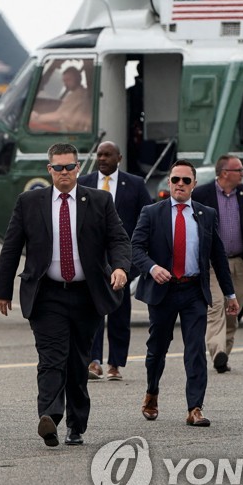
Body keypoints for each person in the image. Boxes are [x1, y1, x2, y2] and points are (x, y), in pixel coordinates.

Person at [0, 143, 131, 447]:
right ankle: (50, 417)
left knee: (77, 363)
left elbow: (118, 239)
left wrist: (120, 268)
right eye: (58, 167)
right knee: (51, 358)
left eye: (69, 167)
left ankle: (76, 425)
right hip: (46, 294)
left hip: (86, 295)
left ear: (78, 168)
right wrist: (2, 291)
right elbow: (12, 247)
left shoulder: (99, 200)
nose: (64, 173)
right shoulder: (30, 202)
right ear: (49, 169)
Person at [131, 159, 236, 427]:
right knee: (157, 348)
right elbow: (136, 249)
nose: (180, 185)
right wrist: (152, 268)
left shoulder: (206, 214)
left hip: (193, 290)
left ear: (194, 185)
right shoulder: (151, 212)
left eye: (186, 181)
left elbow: (218, 257)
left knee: (195, 350)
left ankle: (195, 408)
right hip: (162, 291)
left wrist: (230, 294)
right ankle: (152, 391)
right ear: (169, 182)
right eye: (176, 180)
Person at [192, 155, 243, 373]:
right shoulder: (202, 194)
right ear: (224, 173)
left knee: (232, 310)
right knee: (215, 307)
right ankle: (217, 350)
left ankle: (224, 354)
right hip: (212, 264)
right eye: (239, 170)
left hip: (240, 261)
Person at [79, 140, 153, 381]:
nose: (102, 158)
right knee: (94, 311)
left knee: (120, 313)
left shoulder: (135, 184)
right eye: (99, 154)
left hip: (122, 258)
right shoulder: (85, 183)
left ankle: (115, 364)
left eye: (107, 155)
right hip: (93, 259)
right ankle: (94, 361)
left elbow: (147, 218)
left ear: (119, 158)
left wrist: (139, 253)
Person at [29, 66, 92, 132]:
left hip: (70, 132)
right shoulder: (82, 93)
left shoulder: (78, 95)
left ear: (78, 78)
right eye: (64, 81)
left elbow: (59, 116)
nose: (65, 84)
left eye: (68, 80)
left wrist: (37, 118)